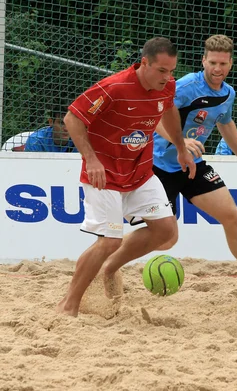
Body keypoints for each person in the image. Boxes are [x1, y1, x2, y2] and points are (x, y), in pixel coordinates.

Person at [103, 35, 237, 297]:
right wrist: (180, 141)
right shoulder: (185, 86)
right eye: (212, 63)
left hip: (192, 165)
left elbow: (225, 122)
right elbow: (156, 113)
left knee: (231, 215)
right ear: (203, 61)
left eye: (222, 63)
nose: (217, 69)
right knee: (166, 237)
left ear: (231, 63)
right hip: (160, 166)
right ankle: (108, 265)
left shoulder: (227, 93)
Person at [56, 37, 196, 317]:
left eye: (172, 71)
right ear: (144, 63)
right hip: (104, 173)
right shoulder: (113, 87)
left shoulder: (166, 86)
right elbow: (73, 118)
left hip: (140, 171)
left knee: (166, 231)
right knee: (109, 240)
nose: (168, 78)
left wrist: (181, 148)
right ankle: (68, 304)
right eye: (161, 71)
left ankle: (109, 268)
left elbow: (167, 111)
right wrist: (91, 159)